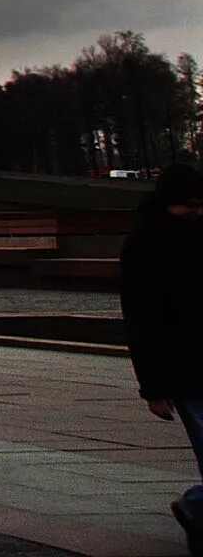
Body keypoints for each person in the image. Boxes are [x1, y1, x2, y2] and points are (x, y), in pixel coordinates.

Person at [123, 165, 203, 553]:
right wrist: (153, 387)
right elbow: (140, 321)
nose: (197, 212)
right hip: (185, 371)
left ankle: (198, 508)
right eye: (189, 205)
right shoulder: (144, 246)